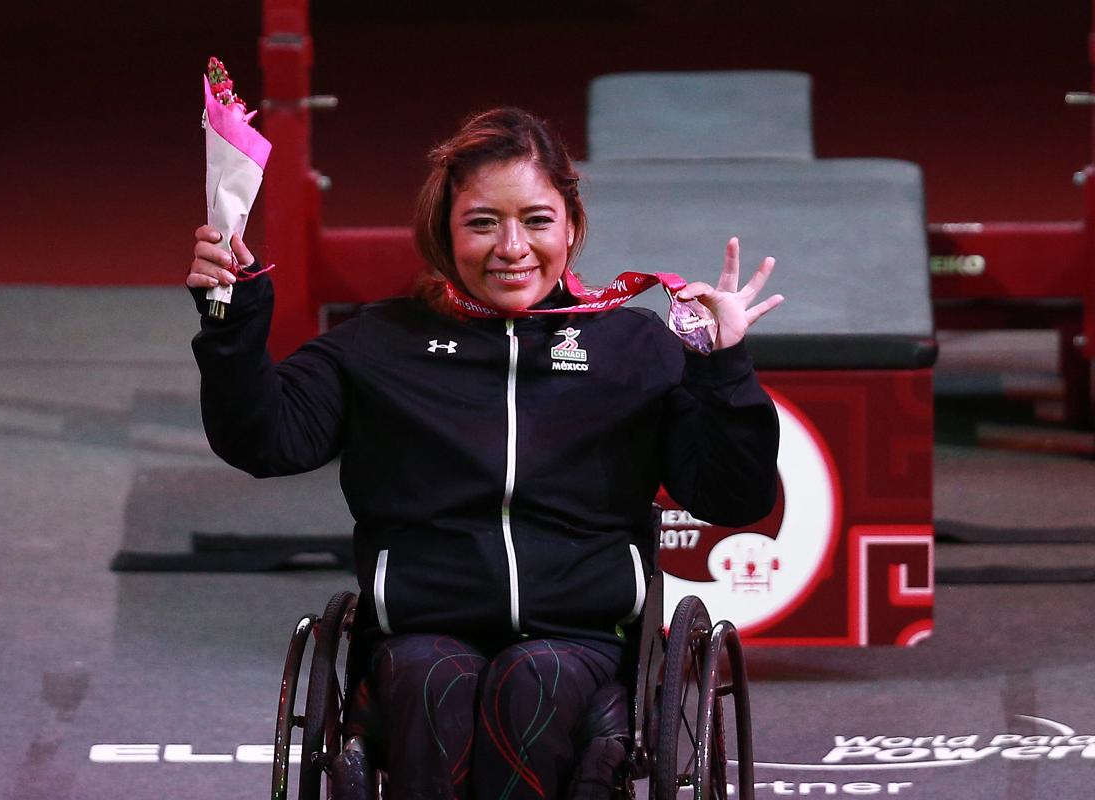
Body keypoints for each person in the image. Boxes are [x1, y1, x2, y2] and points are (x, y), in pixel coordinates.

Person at [187, 107, 783, 799]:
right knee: (436, 680)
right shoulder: (379, 343)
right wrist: (230, 318)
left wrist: (724, 366)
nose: (511, 248)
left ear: (570, 227)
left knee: (535, 678)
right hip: (418, 635)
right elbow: (266, 442)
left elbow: (733, 496)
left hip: (581, 642)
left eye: (535, 220)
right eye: (481, 223)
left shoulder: (635, 347)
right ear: (444, 229)